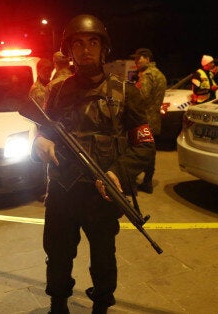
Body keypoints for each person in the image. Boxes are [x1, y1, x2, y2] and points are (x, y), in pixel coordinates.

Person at [32, 14, 155, 314]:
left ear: (103, 48)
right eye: (78, 43)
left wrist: (117, 173)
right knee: (58, 255)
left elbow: (145, 145)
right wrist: (38, 143)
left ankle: (101, 305)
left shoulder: (127, 93)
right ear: (69, 50)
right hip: (62, 192)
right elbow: (44, 134)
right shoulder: (57, 92)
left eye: (93, 42)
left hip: (103, 193)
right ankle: (58, 303)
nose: (86, 49)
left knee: (103, 257)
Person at [130, 48, 166, 194]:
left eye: (139, 59)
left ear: (147, 59)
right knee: (150, 151)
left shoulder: (147, 74)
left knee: (136, 150)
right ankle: (147, 181)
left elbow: (142, 97)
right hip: (155, 119)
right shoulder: (160, 74)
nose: (136, 62)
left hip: (142, 119)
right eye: (136, 59)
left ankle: (132, 183)